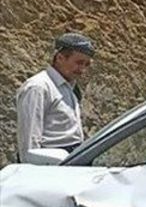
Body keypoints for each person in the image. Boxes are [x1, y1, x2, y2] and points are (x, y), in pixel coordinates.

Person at [16, 33, 95, 162]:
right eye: (79, 63)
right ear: (60, 58)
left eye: (86, 65)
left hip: (70, 158)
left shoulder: (70, 87)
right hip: (50, 161)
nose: (82, 70)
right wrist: (30, 171)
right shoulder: (38, 87)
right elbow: (29, 139)